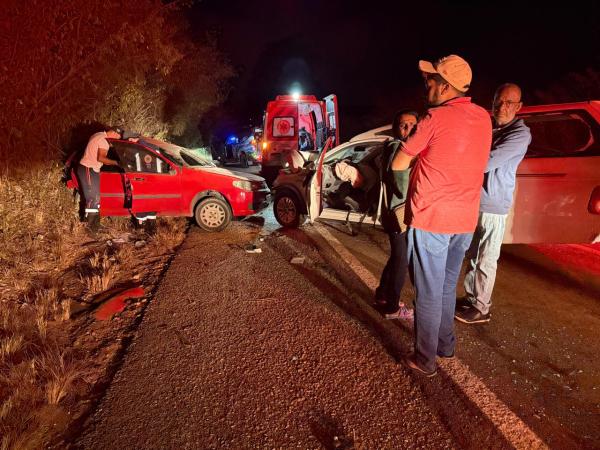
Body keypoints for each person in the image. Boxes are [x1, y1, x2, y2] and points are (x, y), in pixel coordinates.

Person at [391, 55, 492, 377]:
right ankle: (445, 346)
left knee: (428, 293)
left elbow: (398, 163)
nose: (427, 86)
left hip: (432, 217)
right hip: (464, 219)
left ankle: (424, 359)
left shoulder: (434, 118)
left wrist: (417, 158)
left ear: (445, 87)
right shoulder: (483, 118)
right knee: (447, 286)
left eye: (431, 81)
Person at [455, 83, 531, 324]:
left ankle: (481, 307)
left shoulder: (519, 134)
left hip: (494, 204)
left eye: (509, 102)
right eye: (498, 101)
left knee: (486, 257)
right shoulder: (489, 126)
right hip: (476, 200)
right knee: (474, 254)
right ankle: (471, 298)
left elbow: (486, 161)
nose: (502, 106)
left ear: (519, 106)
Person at [374, 109, 419, 320]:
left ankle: (382, 295)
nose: (408, 128)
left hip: (391, 212)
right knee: (401, 260)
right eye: (403, 125)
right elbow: (402, 187)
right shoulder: (400, 149)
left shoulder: (390, 146)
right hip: (400, 213)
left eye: (412, 125)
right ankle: (392, 307)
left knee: (396, 258)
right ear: (396, 128)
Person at [76, 127, 122, 232]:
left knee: (96, 196)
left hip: (91, 168)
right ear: (114, 133)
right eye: (117, 137)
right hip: (88, 167)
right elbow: (101, 158)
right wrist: (116, 163)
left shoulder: (98, 134)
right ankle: (89, 227)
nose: (116, 140)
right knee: (92, 197)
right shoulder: (104, 140)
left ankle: (95, 225)